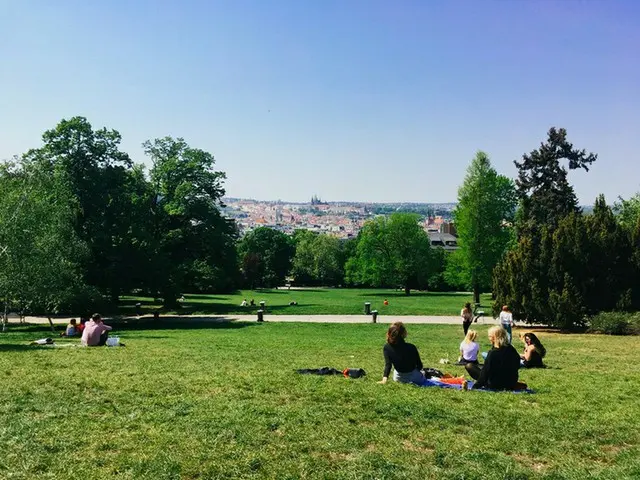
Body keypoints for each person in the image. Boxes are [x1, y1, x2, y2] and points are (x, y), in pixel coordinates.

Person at [465, 326, 524, 390]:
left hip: (495, 384)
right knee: (480, 366)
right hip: (511, 382)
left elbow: (485, 373)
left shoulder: (493, 353)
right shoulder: (511, 349)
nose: (489, 338)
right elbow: (517, 364)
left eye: (490, 336)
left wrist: (475, 387)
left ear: (494, 337)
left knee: (469, 366)